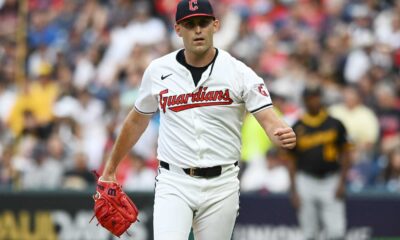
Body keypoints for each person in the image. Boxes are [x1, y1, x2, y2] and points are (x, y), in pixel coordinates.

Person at [99, 1, 296, 240]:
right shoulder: (158, 70)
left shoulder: (240, 73)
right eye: (190, 24)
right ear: (178, 29)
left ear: (215, 25)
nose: (198, 30)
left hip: (222, 184)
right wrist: (110, 170)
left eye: (203, 23)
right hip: (174, 181)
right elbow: (136, 120)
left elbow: (269, 119)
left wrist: (280, 132)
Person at [286, 85, 352, 240]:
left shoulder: (335, 123)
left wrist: (342, 182)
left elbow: (346, 153)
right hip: (305, 180)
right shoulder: (297, 126)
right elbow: (290, 160)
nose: (314, 101)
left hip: (331, 179)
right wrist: (294, 190)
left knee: (336, 232)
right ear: (304, 101)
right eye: (310, 98)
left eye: (316, 97)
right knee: (309, 233)